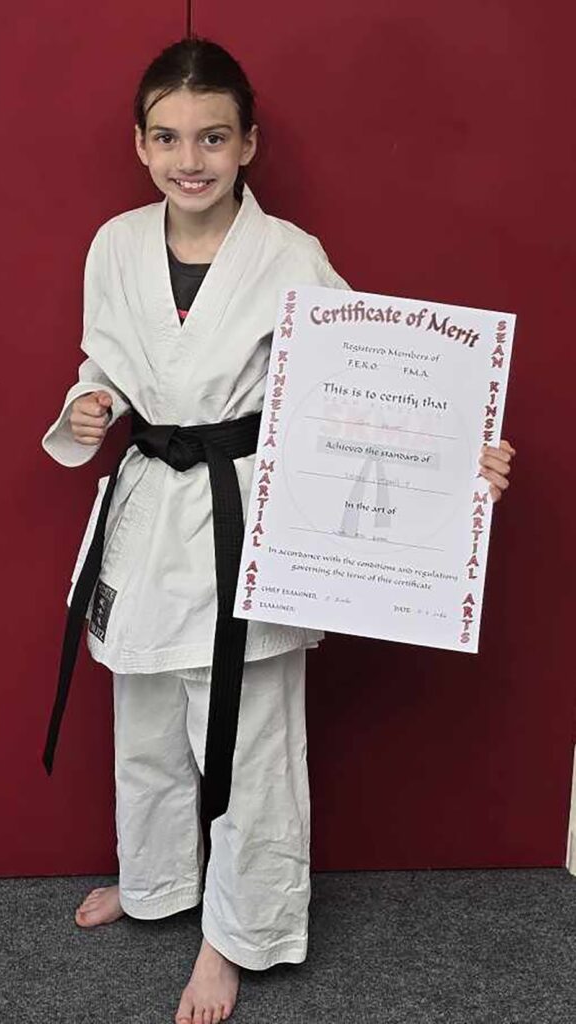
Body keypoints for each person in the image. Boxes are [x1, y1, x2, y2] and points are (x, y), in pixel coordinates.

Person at [41, 37, 516, 1024]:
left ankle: (237, 932)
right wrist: (91, 406)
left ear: (248, 142)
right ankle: (158, 881)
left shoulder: (290, 254)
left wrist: (455, 459)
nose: (191, 159)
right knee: (145, 722)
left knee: (249, 740)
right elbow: (105, 362)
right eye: (169, 138)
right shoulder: (113, 245)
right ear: (140, 144)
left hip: (250, 515)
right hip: (149, 503)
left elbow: (363, 385)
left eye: (213, 137)